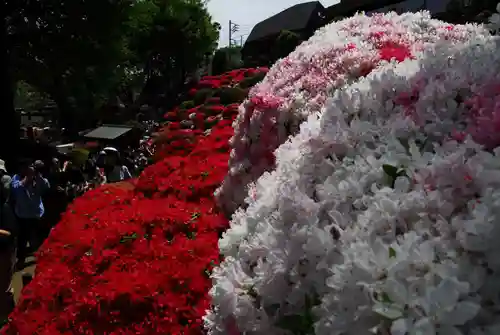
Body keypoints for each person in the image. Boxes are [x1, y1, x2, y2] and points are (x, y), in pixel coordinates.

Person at [11, 160, 50, 268]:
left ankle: (39, 259)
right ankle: (21, 259)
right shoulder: (17, 177)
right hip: (22, 215)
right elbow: (15, 189)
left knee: (36, 238)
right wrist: (27, 178)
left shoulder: (38, 178)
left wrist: (37, 175)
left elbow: (46, 187)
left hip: (36, 214)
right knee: (22, 240)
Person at [0, 159, 16, 317]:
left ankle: (8, 318)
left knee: (4, 289)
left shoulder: (4, 208)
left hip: (4, 251)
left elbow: (9, 232)